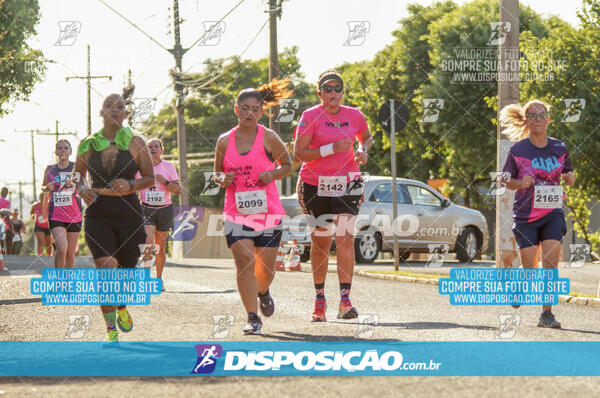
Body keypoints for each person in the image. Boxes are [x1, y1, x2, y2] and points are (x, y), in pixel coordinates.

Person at [214, 78, 293, 335]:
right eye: (244, 108)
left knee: (266, 269)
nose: (249, 113)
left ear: (261, 111)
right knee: (245, 262)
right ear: (236, 109)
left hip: (268, 213)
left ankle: (263, 291)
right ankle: (252, 317)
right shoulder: (224, 141)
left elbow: (288, 165)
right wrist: (221, 178)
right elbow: (217, 172)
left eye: (254, 108)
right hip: (236, 212)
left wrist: (273, 175)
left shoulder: (269, 137)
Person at [75, 93, 154, 344]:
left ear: (126, 114)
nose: (114, 109)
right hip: (98, 214)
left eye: (120, 106)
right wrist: (82, 189)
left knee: (127, 275)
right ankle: (111, 331)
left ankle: (121, 305)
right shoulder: (87, 144)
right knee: (106, 271)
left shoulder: (136, 143)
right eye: (109, 105)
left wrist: (131, 183)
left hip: (130, 215)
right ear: (101, 112)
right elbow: (78, 176)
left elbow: (150, 178)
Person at [293, 70, 372, 322]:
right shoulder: (310, 116)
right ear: (319, 93)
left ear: (342, 92)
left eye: (338, 88)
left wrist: (362, 150)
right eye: (327, 88)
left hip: (348, 183)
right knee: (321, 241)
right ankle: (319, 300)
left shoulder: (355, 115)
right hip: (314, 184)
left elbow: (367, 138)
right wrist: (331, 149)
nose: (333, 93)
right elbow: (299, 153)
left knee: (345, 237)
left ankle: (345, 301)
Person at [500, 99, 575, 329]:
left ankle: (547, 314)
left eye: (542, 114)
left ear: (549, 119)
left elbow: (569, 173)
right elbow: (504, 179)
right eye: (533, 115)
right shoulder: (517, 150)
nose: (538, 118)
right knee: (531, 269)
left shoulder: (560, 147)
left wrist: (571, 178)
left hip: (552, 213)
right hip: (526, 216)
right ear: (527, 121)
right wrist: (520, 182)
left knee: (550, 264)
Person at [136, 138, 181, 290]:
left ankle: (159, 279)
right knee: (149, 243)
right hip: (146, 208)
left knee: (160, 247)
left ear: (162, 150)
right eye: (150, 147)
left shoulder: (168, 166)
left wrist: (165, 182)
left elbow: (178, 189)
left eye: (156, 146)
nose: (153, 149)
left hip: (164, 209)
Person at [42, 140, 83, 267]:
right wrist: (47, 187)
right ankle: (58, 282)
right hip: (56, 215)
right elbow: (43, 187)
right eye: (60, 148)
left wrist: (74, 184)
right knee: (61, 248)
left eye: (66, 148)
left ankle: (67, 283)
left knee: (70, 253)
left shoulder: (76, 168)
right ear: (56, 152)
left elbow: (84, 187)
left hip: (74, 215)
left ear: (70, 151)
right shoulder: (50, 169)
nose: (63, 150)